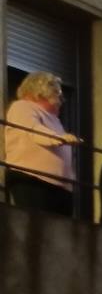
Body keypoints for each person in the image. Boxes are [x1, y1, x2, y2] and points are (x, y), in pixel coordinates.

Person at [3, 70, 79, 215]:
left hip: (59, 187)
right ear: (41, 91)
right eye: (57, 93)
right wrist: (60, 138)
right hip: (33, 181)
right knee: (37, 230)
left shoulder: (54, 119)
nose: (61, 99)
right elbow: (34, 130)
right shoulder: (22, 106)